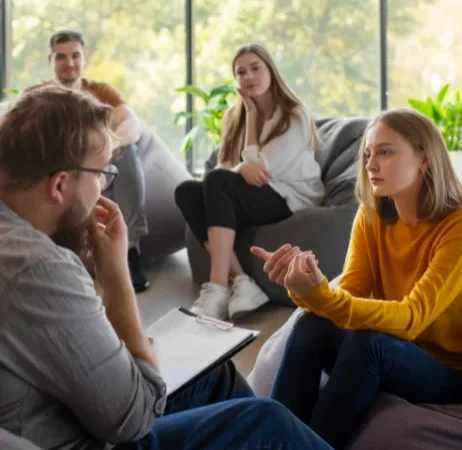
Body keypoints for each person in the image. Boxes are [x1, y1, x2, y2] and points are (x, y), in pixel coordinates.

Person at [0, 87, 337, 450]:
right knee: (268, 424)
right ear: (60, 185)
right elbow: (136, 416)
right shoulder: (37, 268)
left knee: (214, 376)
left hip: (48, 411)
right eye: (101, 174)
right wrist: (115, 275)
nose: (104, 190)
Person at [251, 108, 462, 449]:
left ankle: (308, 445)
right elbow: (347, 296)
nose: (370, 164)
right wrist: (303, 289)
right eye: (368, 154)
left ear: (424, 160)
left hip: (459, 370)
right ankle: (271, 439)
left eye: (385, 151)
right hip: (399, 350)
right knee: (311, 326)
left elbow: (412, 318)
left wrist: (322, 296)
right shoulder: (371, 217)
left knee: (371, 346)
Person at [175, 43, 324, 320]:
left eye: (255, 68)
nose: (248, 76)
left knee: (218, 182)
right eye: (241, 72)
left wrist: (253, 123)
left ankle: (218, 287)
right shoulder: (235, 118)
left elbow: (262, 171)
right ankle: (242, 279)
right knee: (187, 191)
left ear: (271, 71)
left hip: (289, 196)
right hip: (255, 195)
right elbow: (224, 168)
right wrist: (247, 125)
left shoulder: (294, 114)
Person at [24, 29, 149, 292]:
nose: (69, 63)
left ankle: (131, 251)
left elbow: (132, 125)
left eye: (75, 55)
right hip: (57, 165)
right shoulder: (38, 95)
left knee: (129, 152)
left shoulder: (100, 91)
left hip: (98, 161)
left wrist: (104, 147)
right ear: (50, 61)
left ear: (84, 57)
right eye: (61, 57)